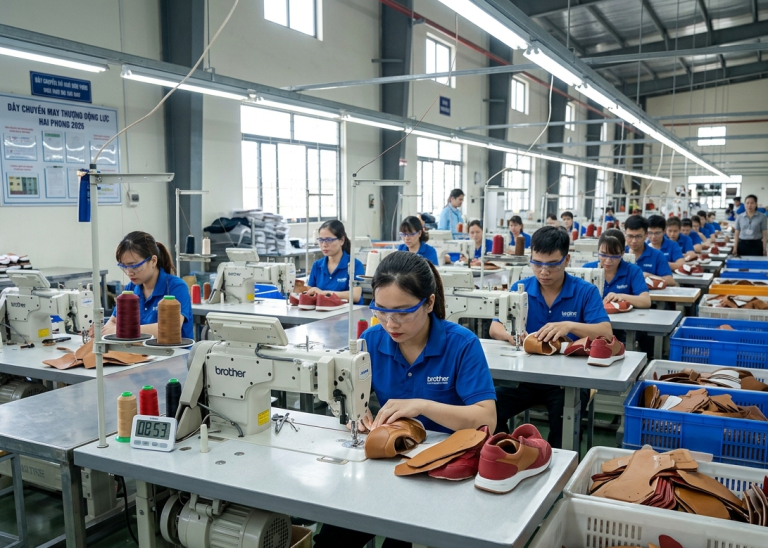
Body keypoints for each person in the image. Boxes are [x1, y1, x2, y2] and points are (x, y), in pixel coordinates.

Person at [312, 252, 496, 548]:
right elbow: (346, 397)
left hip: (442, 473)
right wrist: (354, 414)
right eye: (381, 310)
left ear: (430, 303)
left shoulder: (461, 344)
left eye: (402, 312)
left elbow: (487, 418)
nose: (390, 322)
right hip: (386, 465)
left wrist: (422, 406)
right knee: (332, 540)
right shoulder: (372, 341)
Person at [490, 227, 612, 447]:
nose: (543, 272)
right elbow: (494, 327)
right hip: (527, 379)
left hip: (568, 383)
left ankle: (558, 468)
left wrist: (569, 326)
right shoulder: (521, 289)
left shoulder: (585, 292)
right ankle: (510, 451)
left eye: (552, 265)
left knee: (563, 425)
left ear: (566, 260)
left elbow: (606, 331)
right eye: (537, 263)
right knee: (488, 407)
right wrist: (511, 335)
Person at [94, 231, 193, 340]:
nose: (129, 272)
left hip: (175, 354)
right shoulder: (131, 288)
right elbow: (112, 322)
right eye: (124, 267)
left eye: (134, 266)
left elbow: (169, 329)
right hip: (142, 353)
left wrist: (124, 331)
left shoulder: (176, 287)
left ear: (153, 261)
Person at [584, 230, 651, 309]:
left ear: (622, 254)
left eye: (614, 255)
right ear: (598, 251)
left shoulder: (633, 271)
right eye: (603, 254)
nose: (608, 260)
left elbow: (646, 301)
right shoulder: (587, 269)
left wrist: (620, 296)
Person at [305, 220, 364, 303]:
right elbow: (311, 291)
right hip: (322, 312)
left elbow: (355, 295)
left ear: (342, 240)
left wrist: (324, 293)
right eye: (321, 240)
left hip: (348, 313)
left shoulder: (355, 265)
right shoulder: (317, 265)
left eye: (329, 240)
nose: (324, 244)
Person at [624, 215, 676, 287]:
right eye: (630, 236)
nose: (634, 241)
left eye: (638, 236)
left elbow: (670, 281)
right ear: (625, 233)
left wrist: (650, 276)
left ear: (646, 235)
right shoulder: (619, 254)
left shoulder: (657, 255)